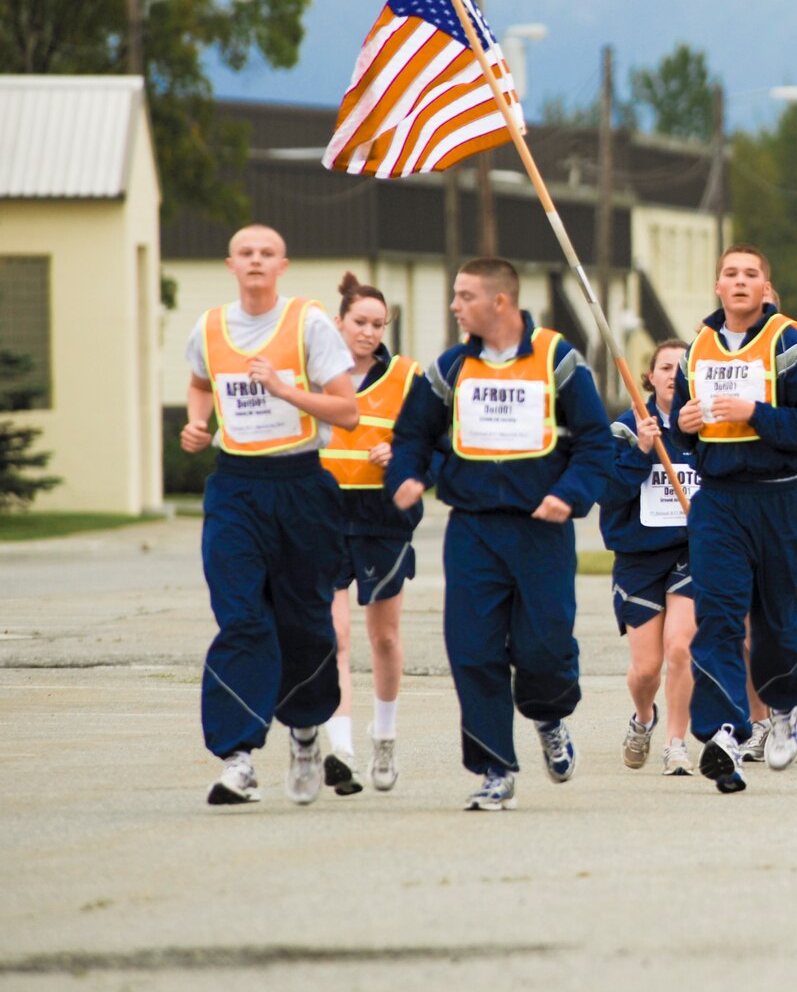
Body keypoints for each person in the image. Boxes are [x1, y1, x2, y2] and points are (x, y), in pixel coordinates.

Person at [386, 257, 613, 811]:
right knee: (473, 650)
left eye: (464, 295)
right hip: (473, 531)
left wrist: (571, 493)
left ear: (500, 303)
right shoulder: (449, 369)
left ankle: (548, 716)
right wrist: (408, 475)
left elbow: (595, 442)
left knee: (544, 647)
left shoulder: (558, 361)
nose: (454, 304)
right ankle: (494, 768)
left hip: (541, 532)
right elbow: (412, 434)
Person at [180, 225, 359, 806]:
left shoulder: (307, 323)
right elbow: (200, 381)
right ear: (230, 264)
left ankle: (306, 731)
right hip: (235, 485)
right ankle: (237, 758)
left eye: (267, 254)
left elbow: (348, 411)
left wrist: (284, 390)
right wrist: (198, 422)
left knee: (304, 621)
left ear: (282, 265)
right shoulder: (207, 328)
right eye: (246, 253)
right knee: (240, 616)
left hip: (301, 485)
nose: (256, 261)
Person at [668, 246, 797, 794]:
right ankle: (724, 733)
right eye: (730, 274)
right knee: (717, 615)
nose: (740, 282)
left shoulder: (790, 343)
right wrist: (685, 423)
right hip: (718, 500)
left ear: (766, 287)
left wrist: (756, 415)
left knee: (778, 621)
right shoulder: (697, 346)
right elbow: (681, 426)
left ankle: (786, 706)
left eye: (751, 275)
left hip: (780, 500)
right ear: (717, 285)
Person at [318, 272, 423, 795]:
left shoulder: (406, 377)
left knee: (383, 637)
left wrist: (398, 455)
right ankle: (341, 749)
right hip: (325, 515)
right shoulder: (313, 376)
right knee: (334, 635)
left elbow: (429, 439)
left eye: (378, 324)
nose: (368, 332)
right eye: (360, 322)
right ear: (338, 322)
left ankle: (384, 737)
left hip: (384, 520)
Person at [599, 339, 703, 778]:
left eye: (681, 369)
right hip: (639, 558)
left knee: (681, 647)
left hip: (691, 553)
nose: (672, 375)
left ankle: (676, 744)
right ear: (650, 376)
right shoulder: (625, 428)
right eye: (665, 367)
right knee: (646, 669)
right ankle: (644, 717)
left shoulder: (706, 428)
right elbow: (606, 493)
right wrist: (642, 452)